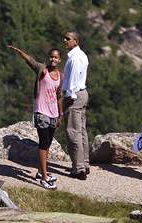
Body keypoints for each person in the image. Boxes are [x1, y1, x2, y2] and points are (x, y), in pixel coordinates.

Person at [8, 45, 64, 190]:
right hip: (41, 111)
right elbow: (30, 61)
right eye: (51, 56)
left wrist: (61, 114)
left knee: (49, 143)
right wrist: (20, 51)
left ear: (59, 60)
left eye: (56, 57)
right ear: (49, 58)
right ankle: (44, 178)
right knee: (43, 143)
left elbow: (59, 96)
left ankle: (41, 171)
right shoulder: (42, 69)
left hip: (53, 113)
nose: (53, 59)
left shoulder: (60, 76)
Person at [62, 31, 90, 180]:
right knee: (81, 130)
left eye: (68, 38)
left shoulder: (75, 58)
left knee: (73, 132)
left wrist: (66, 99)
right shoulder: (81, 55)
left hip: (74, 96)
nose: (65, 40)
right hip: (81, 93)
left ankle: (78, 169)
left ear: (76, 41)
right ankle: (84, 163)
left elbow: (72, 82)